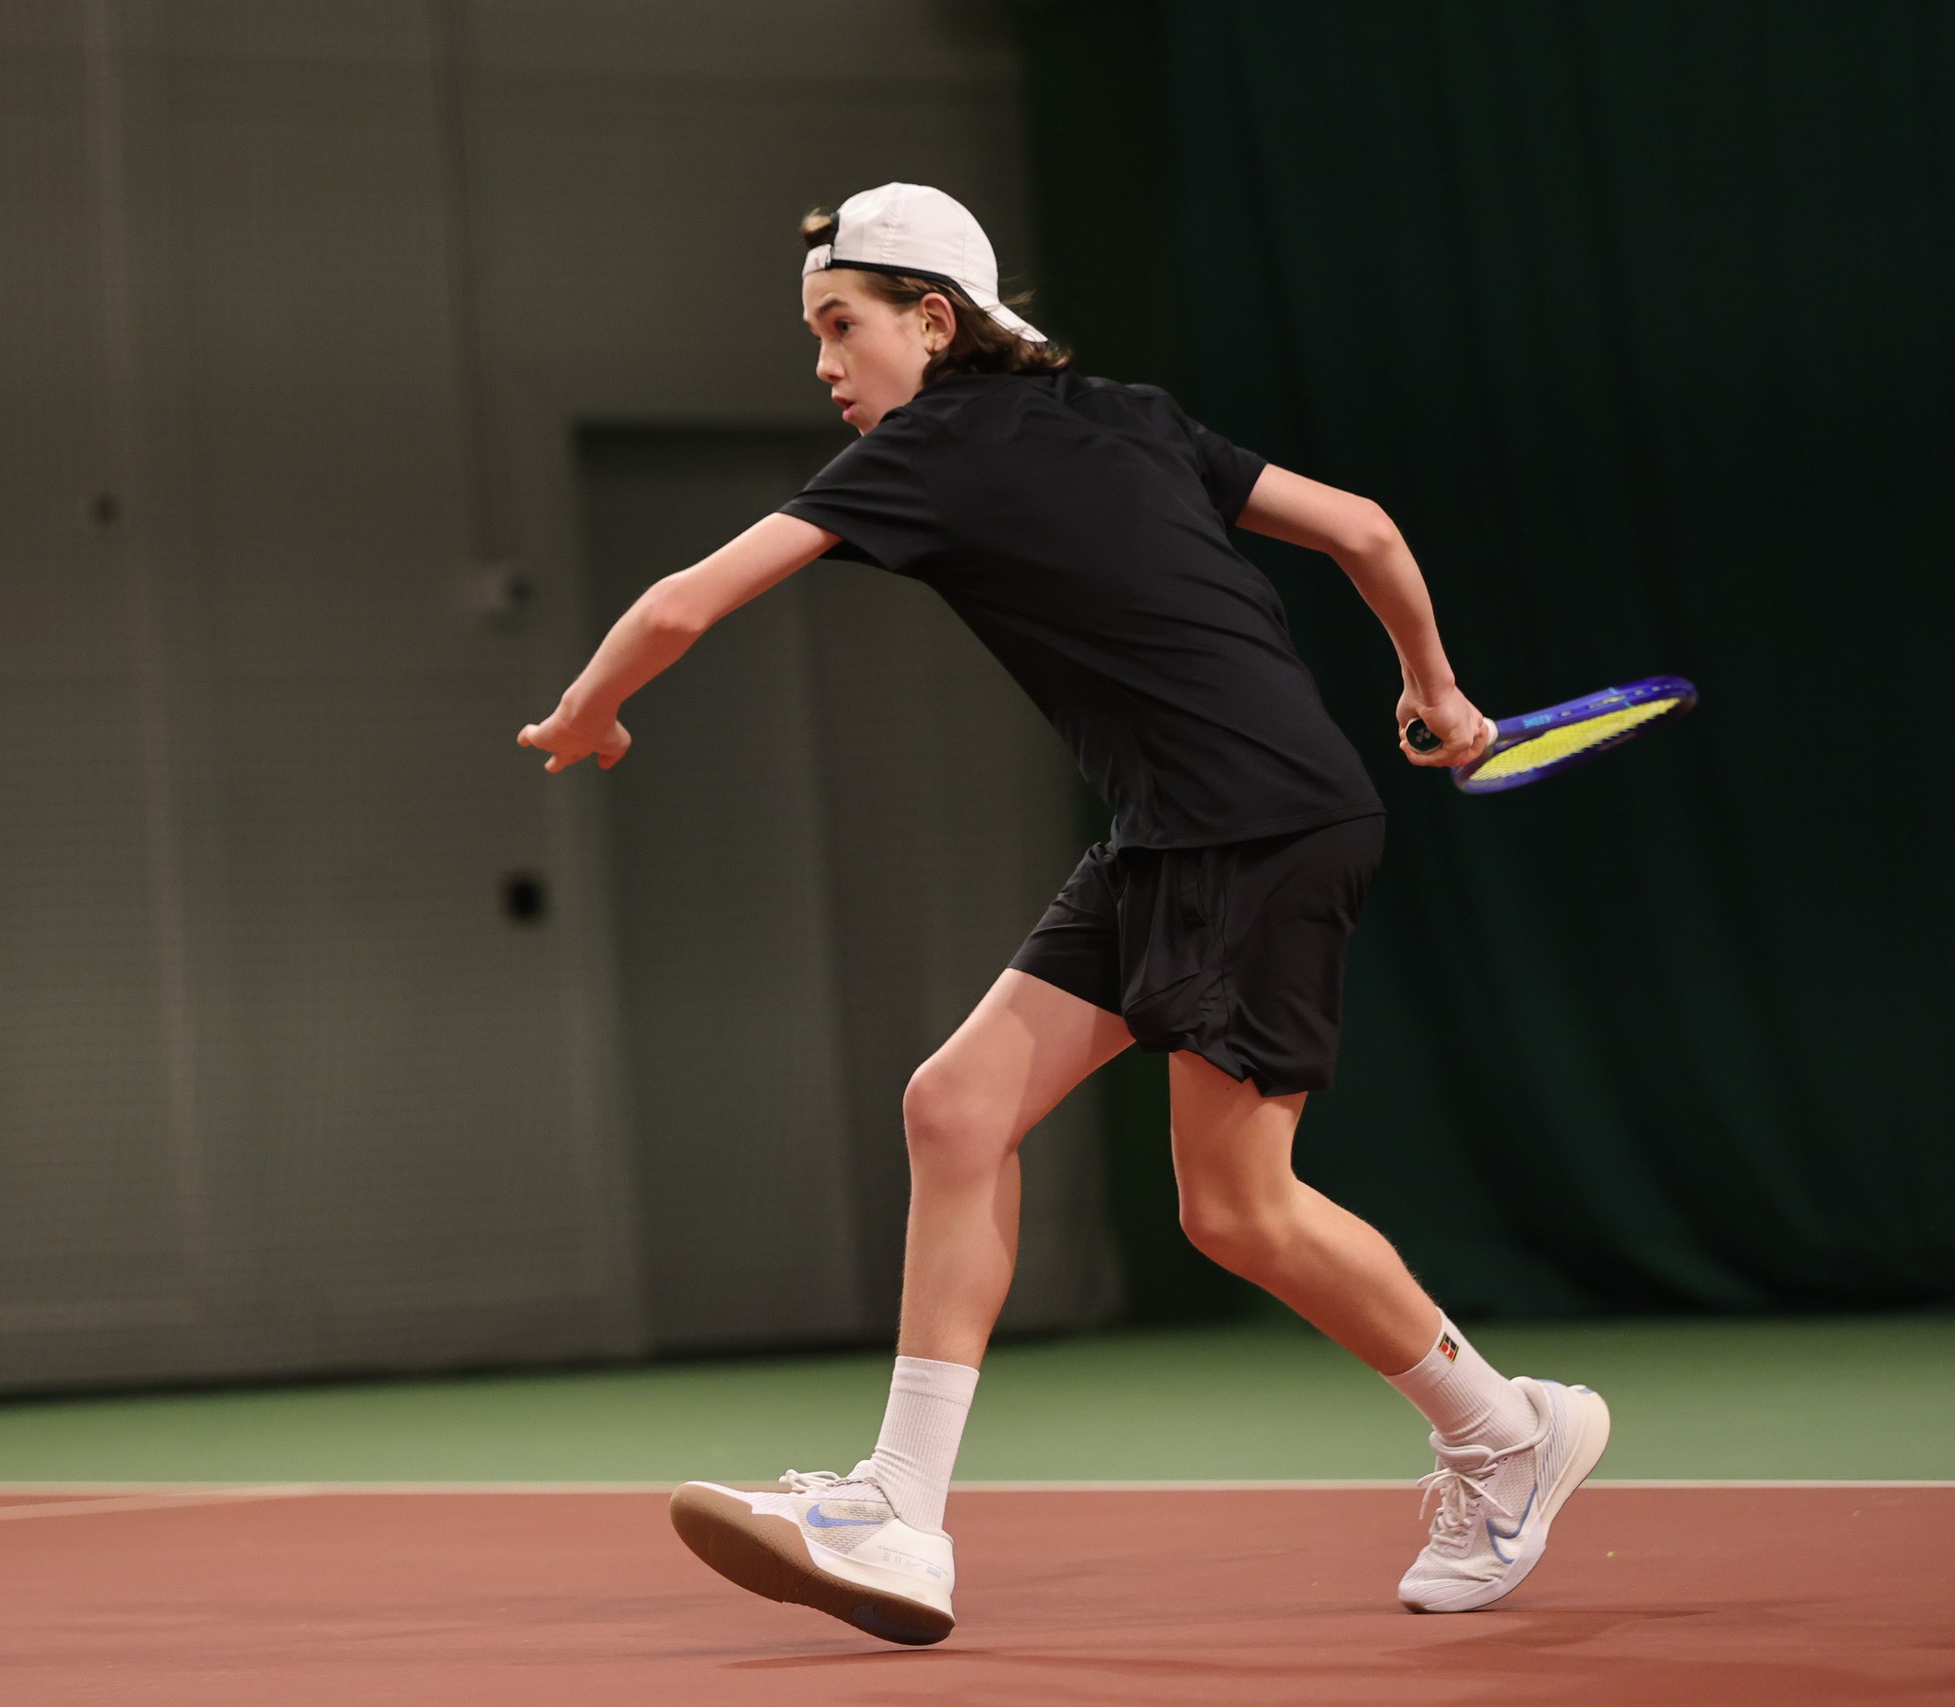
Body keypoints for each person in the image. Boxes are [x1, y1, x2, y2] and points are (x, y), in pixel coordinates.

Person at [514, 182, 1609, 1644]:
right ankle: (900, 1513)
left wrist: (588, 713)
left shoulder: (926, 447)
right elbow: (1364, 529)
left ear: (933, 321)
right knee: (957, 1108)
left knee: (1238, 1209)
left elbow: (679, 604)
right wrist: (1437, 690)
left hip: (1258, 824)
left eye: (841, 327)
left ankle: (1505, 1433)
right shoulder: (1132, 415)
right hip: (1182, 828)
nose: (826, 365)